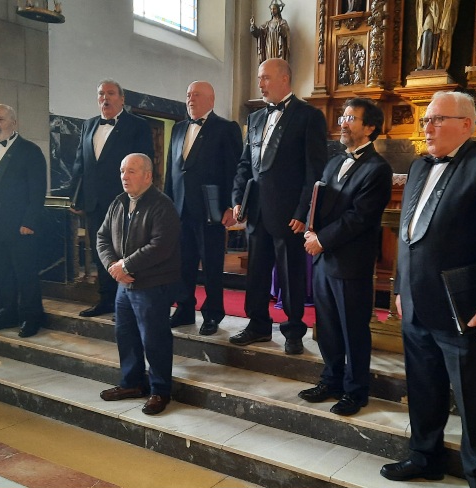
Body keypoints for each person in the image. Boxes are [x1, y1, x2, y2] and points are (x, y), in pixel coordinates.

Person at [381, 91, 476, 486]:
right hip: (416, 300)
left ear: (467, 124)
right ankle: (425, 457)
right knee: (423, 387)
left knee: (473, 399)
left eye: (437, 119)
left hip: (462, 305)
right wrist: (398, 286)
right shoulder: (419, 166)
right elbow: (406, 235)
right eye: (426, 120)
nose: (427, 126)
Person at [298, 98, 392, 416]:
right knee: (327, 327)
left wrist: (321, 240)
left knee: (353, 330)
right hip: (325, 260)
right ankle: (332, 380)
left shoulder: (378, 169)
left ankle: (356, 391)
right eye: (343, 116)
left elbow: (359, 218)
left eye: (351, 118)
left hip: (351, 263)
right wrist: (311, 231)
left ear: (370, 127)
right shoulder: (334, 162)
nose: (343, 122)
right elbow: (321, 201)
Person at [230, 58, 327, 355]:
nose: (260, 83)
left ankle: (294, 330)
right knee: (256, 273)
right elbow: (245, 164)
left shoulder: (309, 116)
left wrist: (304, 212)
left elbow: (315, 171)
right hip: (257, 212)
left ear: (285, 79)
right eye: (260, 78)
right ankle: (257, 325)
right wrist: (237, 199)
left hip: (289, 215)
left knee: (291, 275)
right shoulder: (256, 119)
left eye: (265, 78)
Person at [96, 153, 180, 416]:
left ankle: (160, 390)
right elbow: (102, 237)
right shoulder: (118, 202)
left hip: (152, 284)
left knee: (154, 340)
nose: (124, 176)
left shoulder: (161, 204)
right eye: (122, 171)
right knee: (126, 335)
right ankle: (132, 384)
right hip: (125, 284)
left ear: (147, 176)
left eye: (131, 171)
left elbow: (161, 246)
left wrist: (126, 266)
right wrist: (113, 266)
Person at [69, 79, 154, 318]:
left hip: (124, 202)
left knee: (126, 252)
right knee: (101, 252)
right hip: (94, 202)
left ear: (122, 98)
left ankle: (126, 304)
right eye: (100, 94)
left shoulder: (137, 125)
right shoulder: (89, 125)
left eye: (110, 93)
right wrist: (76, 197)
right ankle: (106, 299)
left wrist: (140, 198)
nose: (104, 98)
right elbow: (80, 163)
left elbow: (146, 162)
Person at [164, 81, 242, 335]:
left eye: (196, 95)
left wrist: (231, 205)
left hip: (211, 209)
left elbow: (234, 169)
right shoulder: (177, 129)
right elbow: (170, 172)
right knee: (183, 264)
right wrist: (166, 205)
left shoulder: (226, 128)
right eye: (188, 95)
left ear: (211, 99)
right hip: (180, 208)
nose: (190, 99)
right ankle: (184, 309)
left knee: (211, 264)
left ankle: (212, 314)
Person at [0, 104, 47, 338]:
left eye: (1, 119)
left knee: (25, 275)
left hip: (20, 228)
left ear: (14, 123)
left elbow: (37, 192)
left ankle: (31, 318)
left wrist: (30, 222)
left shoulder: (30, 151)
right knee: (1, 274)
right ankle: (5, 314)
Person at [415, 0, 459, 71]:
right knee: (427, 31)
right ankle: (424, 64)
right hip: (429, 9)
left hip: (442, 9)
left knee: (438, 35)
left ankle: (435, 63)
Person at [250, 0, 290, 65]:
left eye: (274, 8)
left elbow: (285, 34)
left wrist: (280, 28)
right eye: (271, 9)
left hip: (277, 46)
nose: (272, 10)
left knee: (277, 65)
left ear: (278, 10)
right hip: (269, 46)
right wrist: (253, 26)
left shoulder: (282, 22)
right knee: (268, 63)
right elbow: (258, 33)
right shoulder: (267, 24)